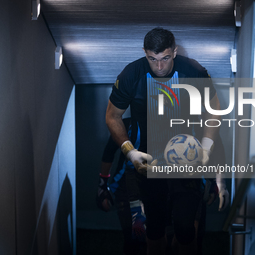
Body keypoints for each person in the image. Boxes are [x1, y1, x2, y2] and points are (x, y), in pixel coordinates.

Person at [106, 27, 229, 255]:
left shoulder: (193, 70)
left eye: (164, 58)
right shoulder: (131, 74)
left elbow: (214, 111)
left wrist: (207, 148)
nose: (159, 67)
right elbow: (112, 115)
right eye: (152, 59)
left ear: (174, 51)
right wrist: (130, 152)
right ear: (145, 53)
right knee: (154, 229)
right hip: (150, 162)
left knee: (184, 229)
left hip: (187, 160)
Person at [97, 117, 147, 255]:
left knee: (155, 239)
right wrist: (103, 186)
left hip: (153, 187)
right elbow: (109, 152)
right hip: (126, 188)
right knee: (133, 240)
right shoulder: (126, 124)